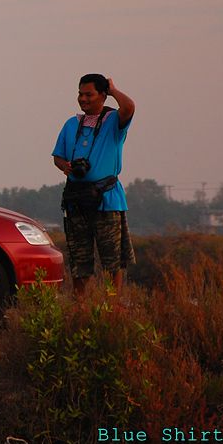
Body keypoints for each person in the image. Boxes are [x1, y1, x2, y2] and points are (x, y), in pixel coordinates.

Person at [52, 74, 136, 296]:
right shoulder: (72, 124)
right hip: (76, 200)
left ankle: (112, 304)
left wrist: (114, 89)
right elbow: (57, 156)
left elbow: (129, 107)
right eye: (80, 94)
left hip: (107, 200)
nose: (83, 99)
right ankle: (80, 305)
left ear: (103, 95)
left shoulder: (113, 121)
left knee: (113, 259)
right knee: (80, 259)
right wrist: (65, 166)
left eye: (89, 94)